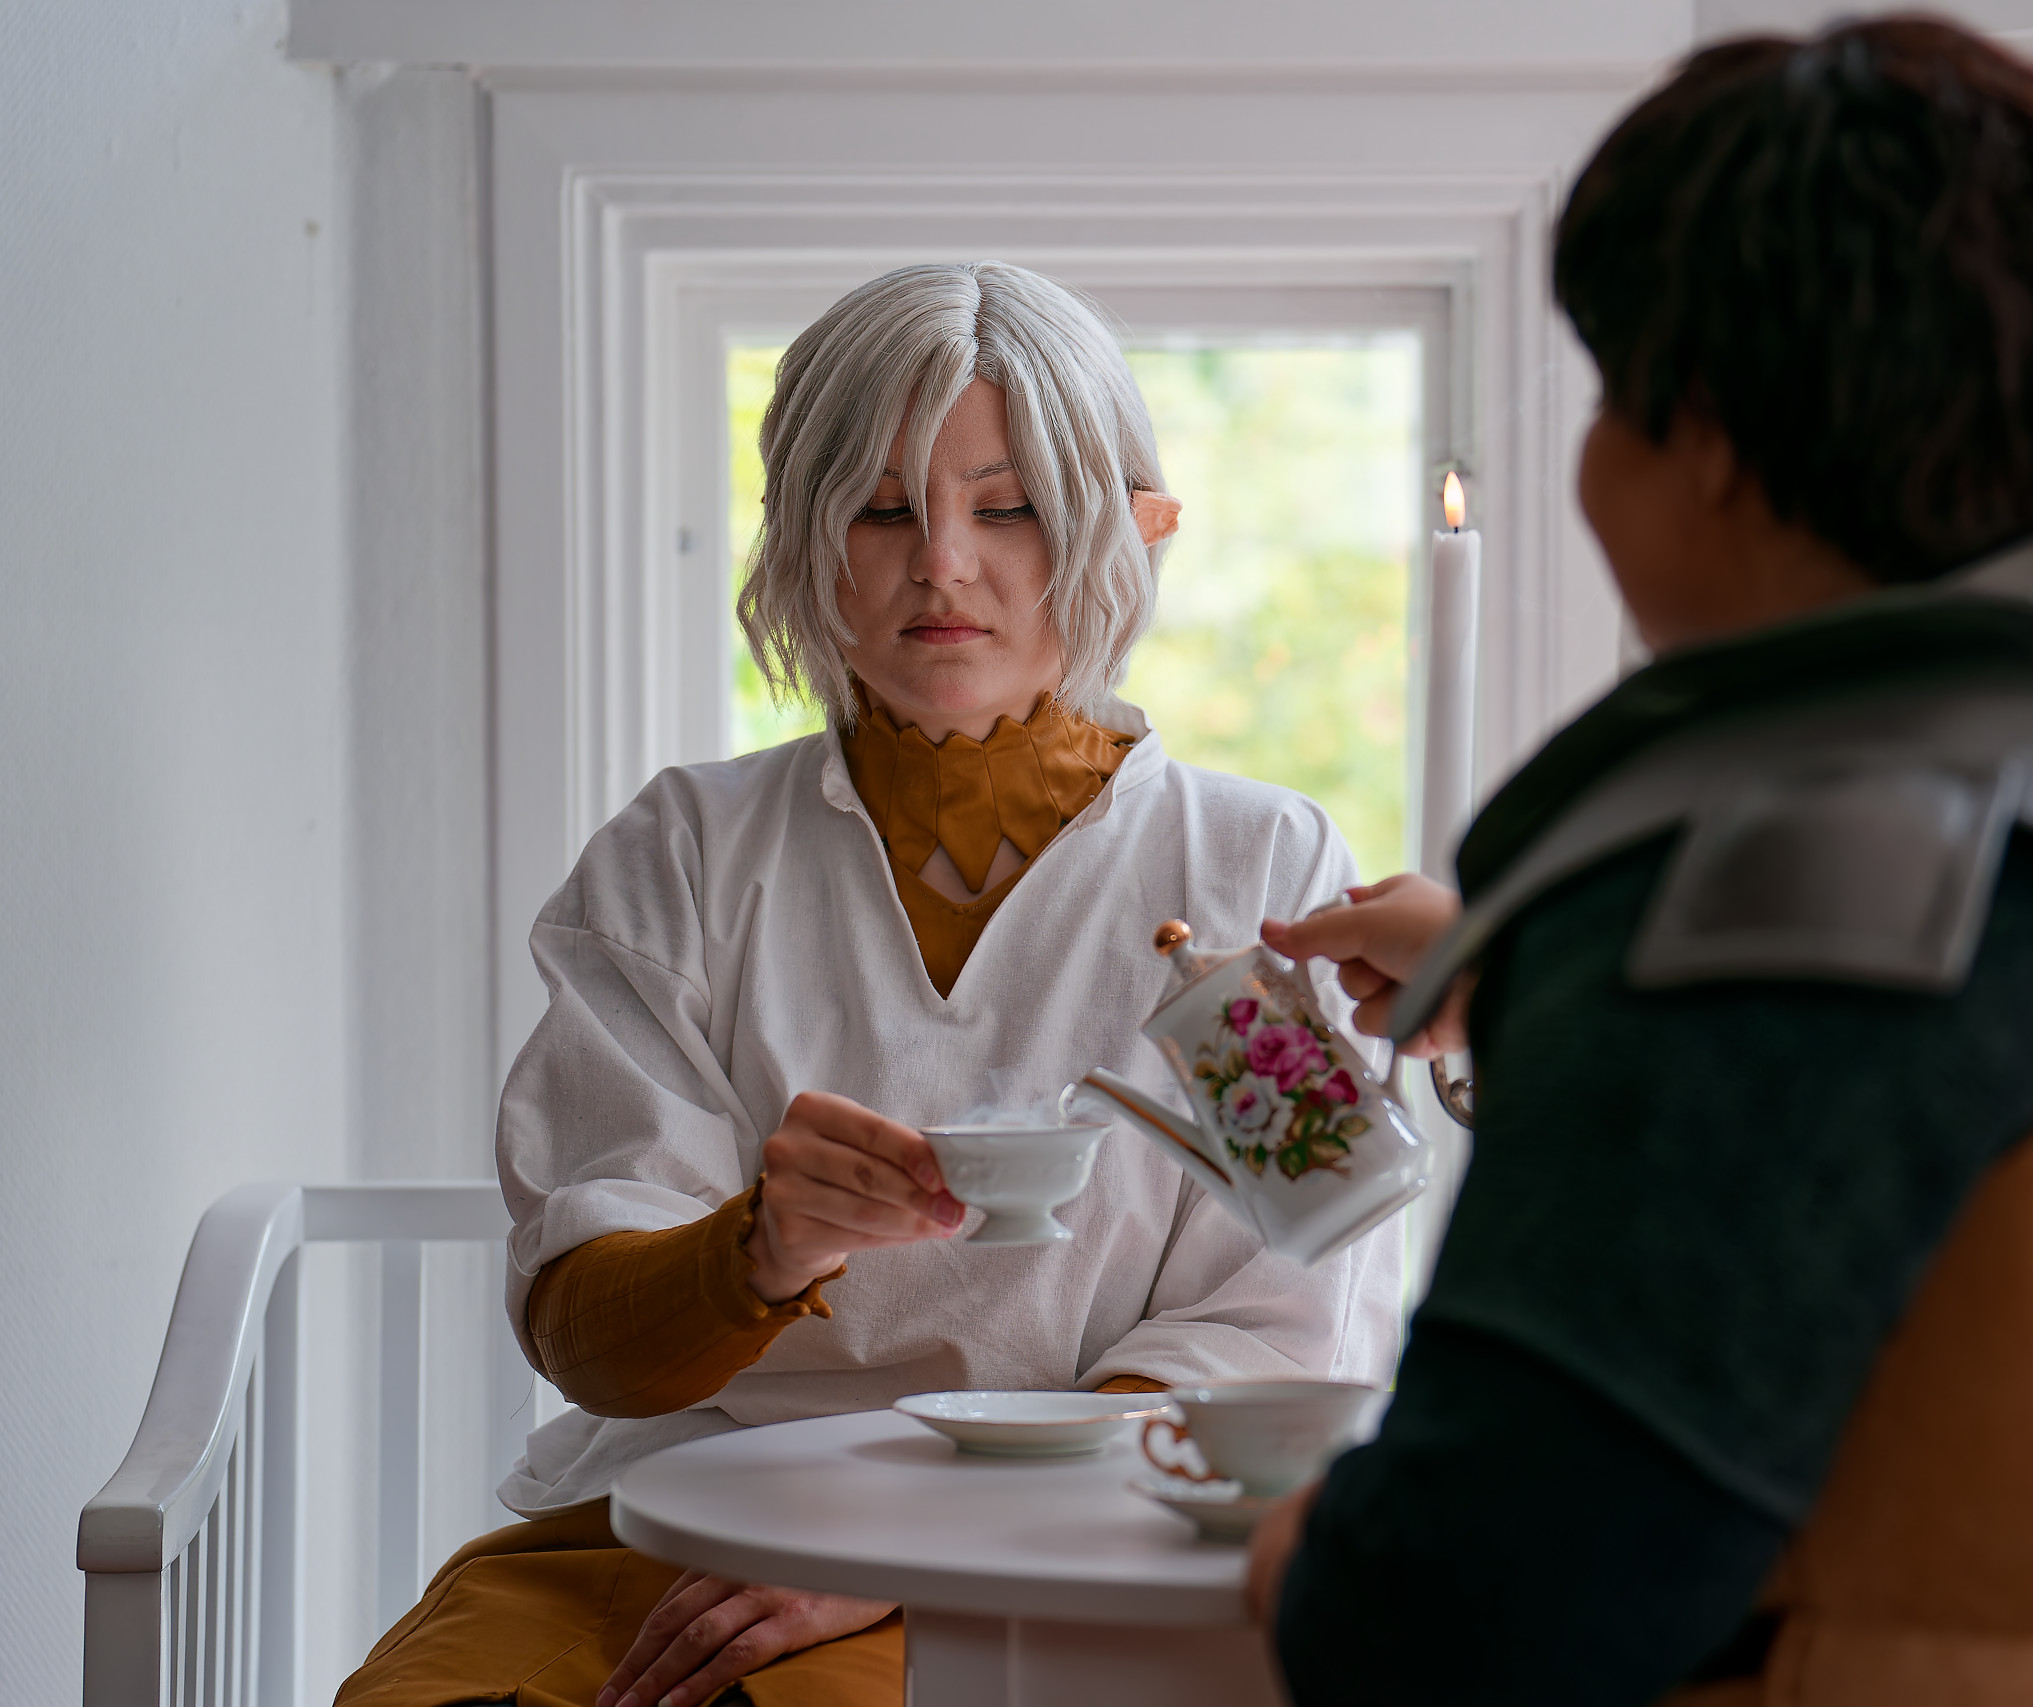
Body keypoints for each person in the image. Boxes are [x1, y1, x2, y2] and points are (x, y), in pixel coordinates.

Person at [1244, 18, 2033, 1706]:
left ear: (1705, 428)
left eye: (1611, 394)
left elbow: (1464, 1616)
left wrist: (1299, 1550)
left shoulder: (1812, 869)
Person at [338, 261, 1401, 1707]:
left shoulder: (1256, 866)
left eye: (1008, 508)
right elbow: (587, 1333)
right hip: (678, 1524)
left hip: (1081, 1546)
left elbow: (1283, 1329)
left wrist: (925, 1542)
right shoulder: (681, 852)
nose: (942, 563)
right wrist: (757, 1251)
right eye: (882, 507)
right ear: (802, 536)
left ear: (1136, 529)